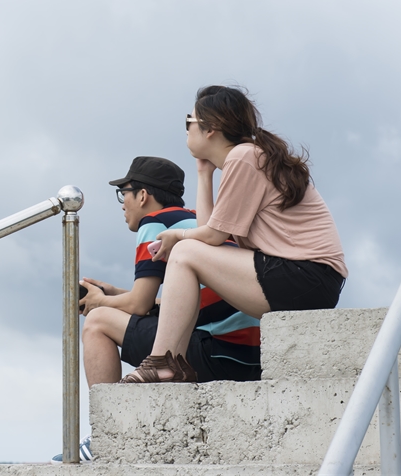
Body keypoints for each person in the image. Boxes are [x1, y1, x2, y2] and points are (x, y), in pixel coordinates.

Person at [119, 86, 348, 384]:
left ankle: (164, 361)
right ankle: (171, 363)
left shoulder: (244, 157)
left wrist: (177, 236)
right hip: (308, 279)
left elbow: (213, 236)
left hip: (305, 276)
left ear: (210, 129)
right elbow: (211, 234)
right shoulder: (246, 157)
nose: (186, 129)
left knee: (184, 252)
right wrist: (204, 174)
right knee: (189, 251)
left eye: (189, 121)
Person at [79, 156, 262, 388]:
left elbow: (139, 305)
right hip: (250, 358)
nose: (123, 204)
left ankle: (107, 412)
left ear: (142, 195)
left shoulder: (155, 222)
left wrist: (99, 302)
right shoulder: (197, 221)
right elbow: (179, 305)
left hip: (214, 352)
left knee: (97, 321)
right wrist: (115, 292)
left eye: (123, 193)